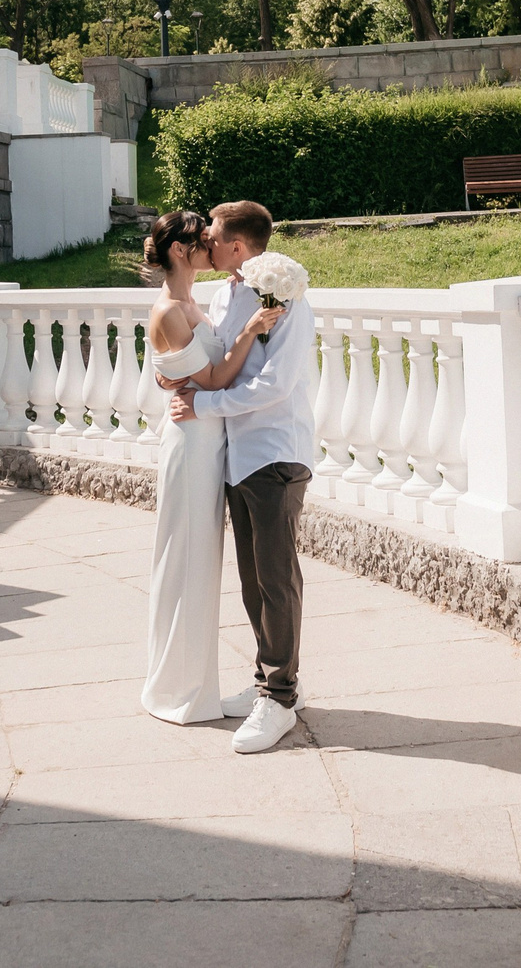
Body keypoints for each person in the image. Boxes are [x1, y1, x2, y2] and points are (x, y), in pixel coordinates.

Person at [163, 199, 314, 755]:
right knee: (253, 581)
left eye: (215, 237)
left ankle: (280, 697)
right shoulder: (226, 295)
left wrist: (205, 405)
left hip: (276, 452)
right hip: (235, 456)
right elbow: (218, 363)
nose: (206, 242)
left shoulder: (290, 300)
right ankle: (270, 686)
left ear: (238, 246)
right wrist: (178, 378)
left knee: (276, 579)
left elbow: (275, 385)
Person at [137, 208, 280, 725]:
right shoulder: (171, 310)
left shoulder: (193, 302)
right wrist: (251, 330)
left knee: (200, 559)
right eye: (202, 240)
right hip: (193, 441)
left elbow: (182, 371)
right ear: (181, 251)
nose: (210, 246)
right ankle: (181, 690)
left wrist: (169, 374)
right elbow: (216, 379)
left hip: (208, 438)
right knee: (189, 558)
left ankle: (190, 684)